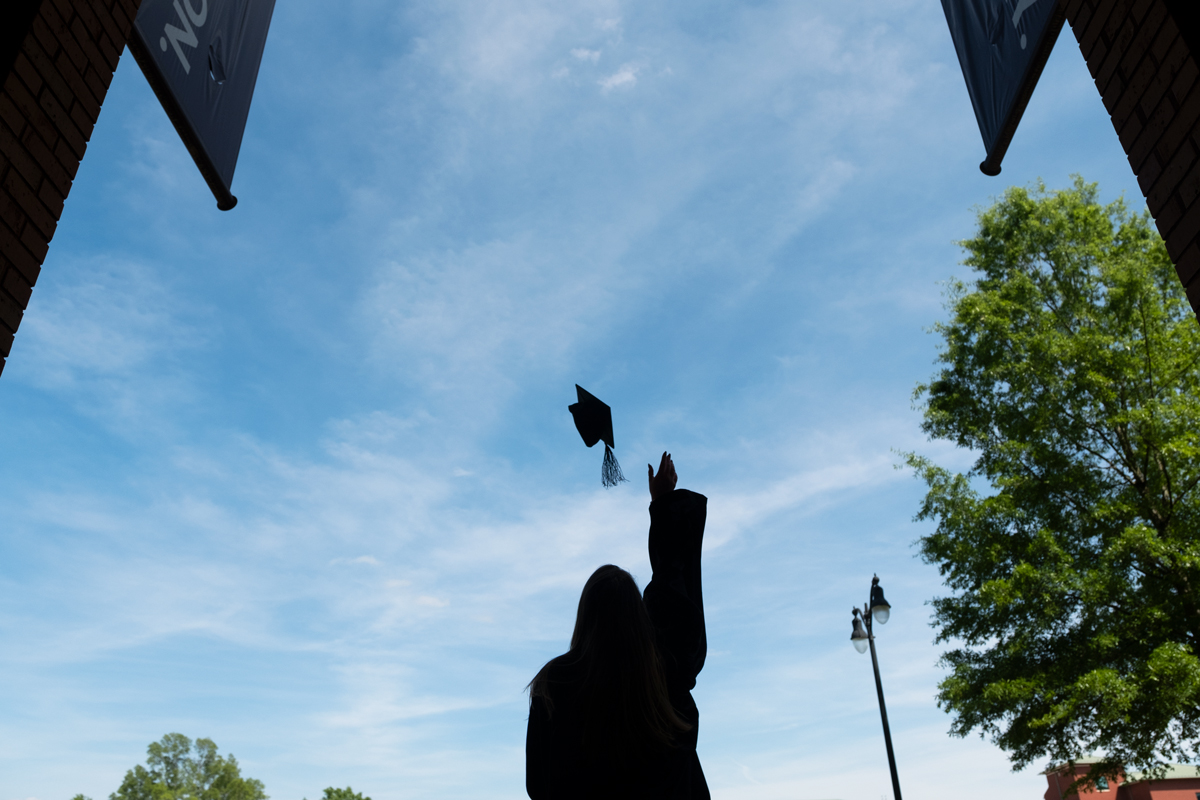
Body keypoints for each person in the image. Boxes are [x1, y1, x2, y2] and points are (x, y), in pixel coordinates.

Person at [526, 452, 710, 799]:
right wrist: (663, 505)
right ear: (640, 621)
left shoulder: (557, 684)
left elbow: (538, 785)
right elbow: (672, 590)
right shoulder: (661, 683)